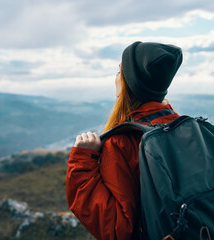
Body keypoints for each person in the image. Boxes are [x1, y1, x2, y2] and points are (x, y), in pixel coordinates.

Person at [66, 41, 183, 240]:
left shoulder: (121, 142)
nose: (116, 77)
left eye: (119, 71)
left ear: (129, 82)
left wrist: (83, 163)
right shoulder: (182, 127)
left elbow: (117, 230)